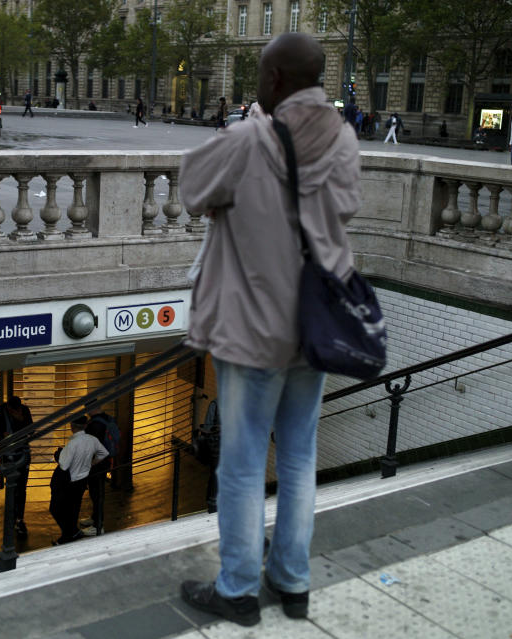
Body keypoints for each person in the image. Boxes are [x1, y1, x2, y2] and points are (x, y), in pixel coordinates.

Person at [177, 32, 359, 627]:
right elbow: (342, 212)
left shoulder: (250, 137)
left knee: (243, 461)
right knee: (300, 455)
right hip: (316, 324)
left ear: (275, 79)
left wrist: (248, 132)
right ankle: (292, 580)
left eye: (260, 74)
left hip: (253, 329)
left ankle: (237, 589)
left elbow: (193, 190)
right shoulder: (345, 136)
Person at [50, 415, 107, 544]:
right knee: (73, 509)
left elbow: (64, 463)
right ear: (85, 426)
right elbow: (103, 453)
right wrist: (91, 463)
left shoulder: (74, 443)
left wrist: (59, 455)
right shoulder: (91, 440)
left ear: (72, 426)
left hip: (69, 482)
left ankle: (69, 534)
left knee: (56, 508)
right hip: (81, 481)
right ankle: (70, 534)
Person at [0, 395, 33, 540]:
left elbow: (31, 430)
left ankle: (19, 518)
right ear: (9, 408)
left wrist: (21, 421)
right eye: (14, 411)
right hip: (9, 455)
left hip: (22, 453)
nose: (17, 413)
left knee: (21, 487)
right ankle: (13, 516)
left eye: (18, 411)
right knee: (13, 487)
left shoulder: (24, 411)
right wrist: (2, 435)